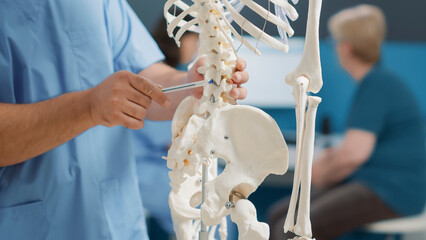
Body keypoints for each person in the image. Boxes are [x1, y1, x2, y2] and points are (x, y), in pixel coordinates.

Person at [0, 1, 248, 239]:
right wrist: (88, 108)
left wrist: (191, 86)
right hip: (33, 225)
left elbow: (144, 78)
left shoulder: (104, 4)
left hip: (117, 222)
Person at [268, 4, 426, 240]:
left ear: (346, 47)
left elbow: (354, 154)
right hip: (377, 182)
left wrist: (319, 173)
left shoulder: (377, 85)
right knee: (278, 215)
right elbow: (355, 147)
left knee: (289, 231)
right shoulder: (379, 81)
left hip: (393, 191)